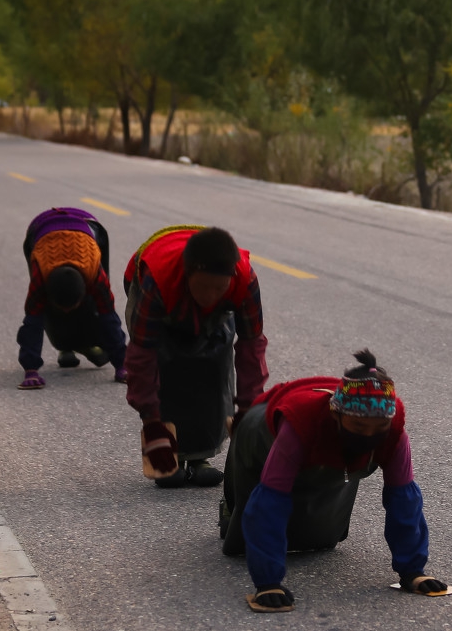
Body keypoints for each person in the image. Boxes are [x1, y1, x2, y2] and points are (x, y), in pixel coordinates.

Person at [219, 351, 448, 613]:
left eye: (378, 428)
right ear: (336, 415)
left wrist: (413, 571)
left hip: (329, 447)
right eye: (359, 428)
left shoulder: (393, 430)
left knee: (317, 539)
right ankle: (229, 505)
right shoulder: (300, 424)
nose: (369, 435)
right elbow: (269, 501)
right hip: (260, 430)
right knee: (244, 524)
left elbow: (404, 500)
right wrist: (267, 582)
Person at [124, 225, 268, 488]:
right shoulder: (157, 281)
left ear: (231, 278)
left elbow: (251, 348)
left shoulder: (244, 281)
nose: (210, 296)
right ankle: (172, 451)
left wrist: (248, 413)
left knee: (213, 364)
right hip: (160, 290)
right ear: (189, 274)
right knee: (168, 363)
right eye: (202, 286)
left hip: (202, 304)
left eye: (219, 287)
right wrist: (151, 422)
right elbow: (141, 357)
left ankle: (200, 456)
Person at [17, 207, 127, 389]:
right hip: (39, 228)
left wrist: (123, 366)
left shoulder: (95, 276)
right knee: (41, 310)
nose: (67, 312)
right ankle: (65, 345)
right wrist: (30, 370)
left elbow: (109, 317)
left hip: (87, 224)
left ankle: (91, 344)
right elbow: (32, 322)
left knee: (100, 305)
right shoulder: (41, 277)